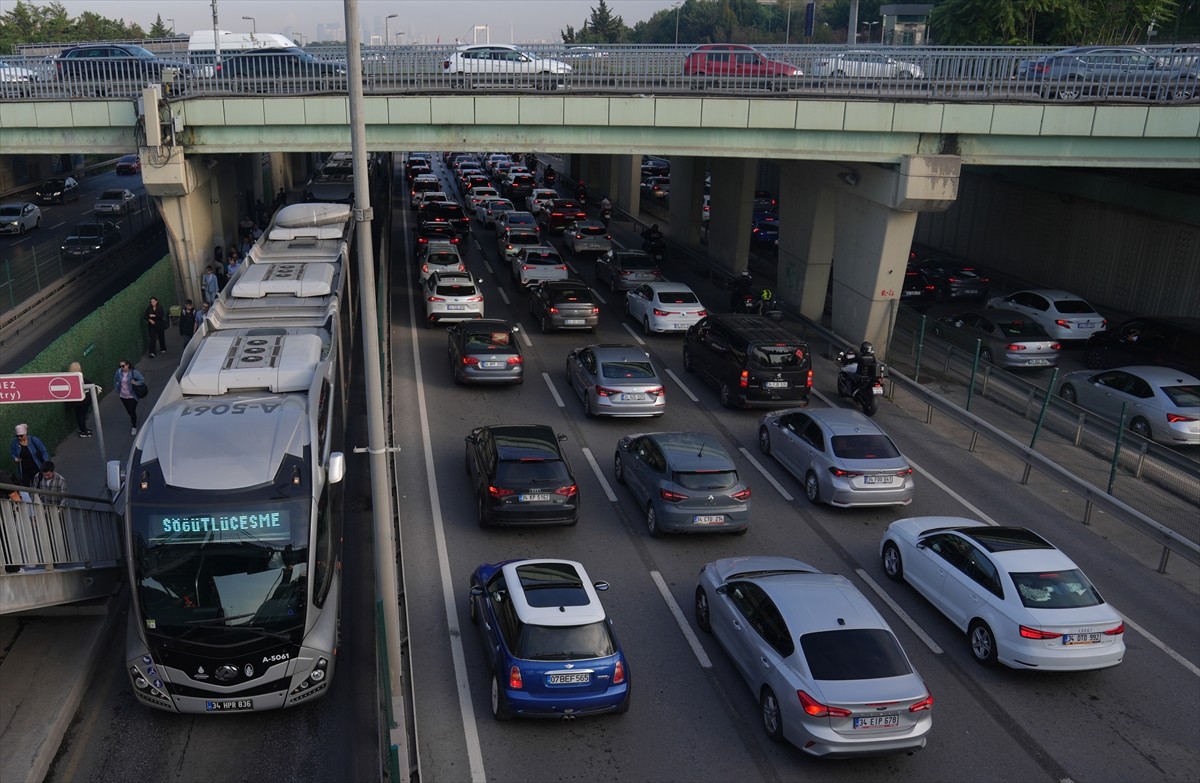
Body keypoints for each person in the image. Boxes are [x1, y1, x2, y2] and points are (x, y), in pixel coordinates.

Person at [114, 359, 146, 435]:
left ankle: (134, 427)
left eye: (123, 366)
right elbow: (115, 380)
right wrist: (117, 388)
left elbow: (142, 380)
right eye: (120, 366)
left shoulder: (133, 372)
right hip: (123, 396)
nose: (121, 368)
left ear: (127, 365)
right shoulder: (118, 372)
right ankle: (133, 419)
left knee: (132, 410)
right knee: (129, 412)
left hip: (132, 396)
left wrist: (135, 382)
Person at [67, 361, 98, 438]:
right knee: (82, 415)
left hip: (74, 401)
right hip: (83, 401)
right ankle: (83, 431)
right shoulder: (79, 376)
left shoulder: (69, 377)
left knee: (78, 415)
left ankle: (82, 430)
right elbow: (89, 383)